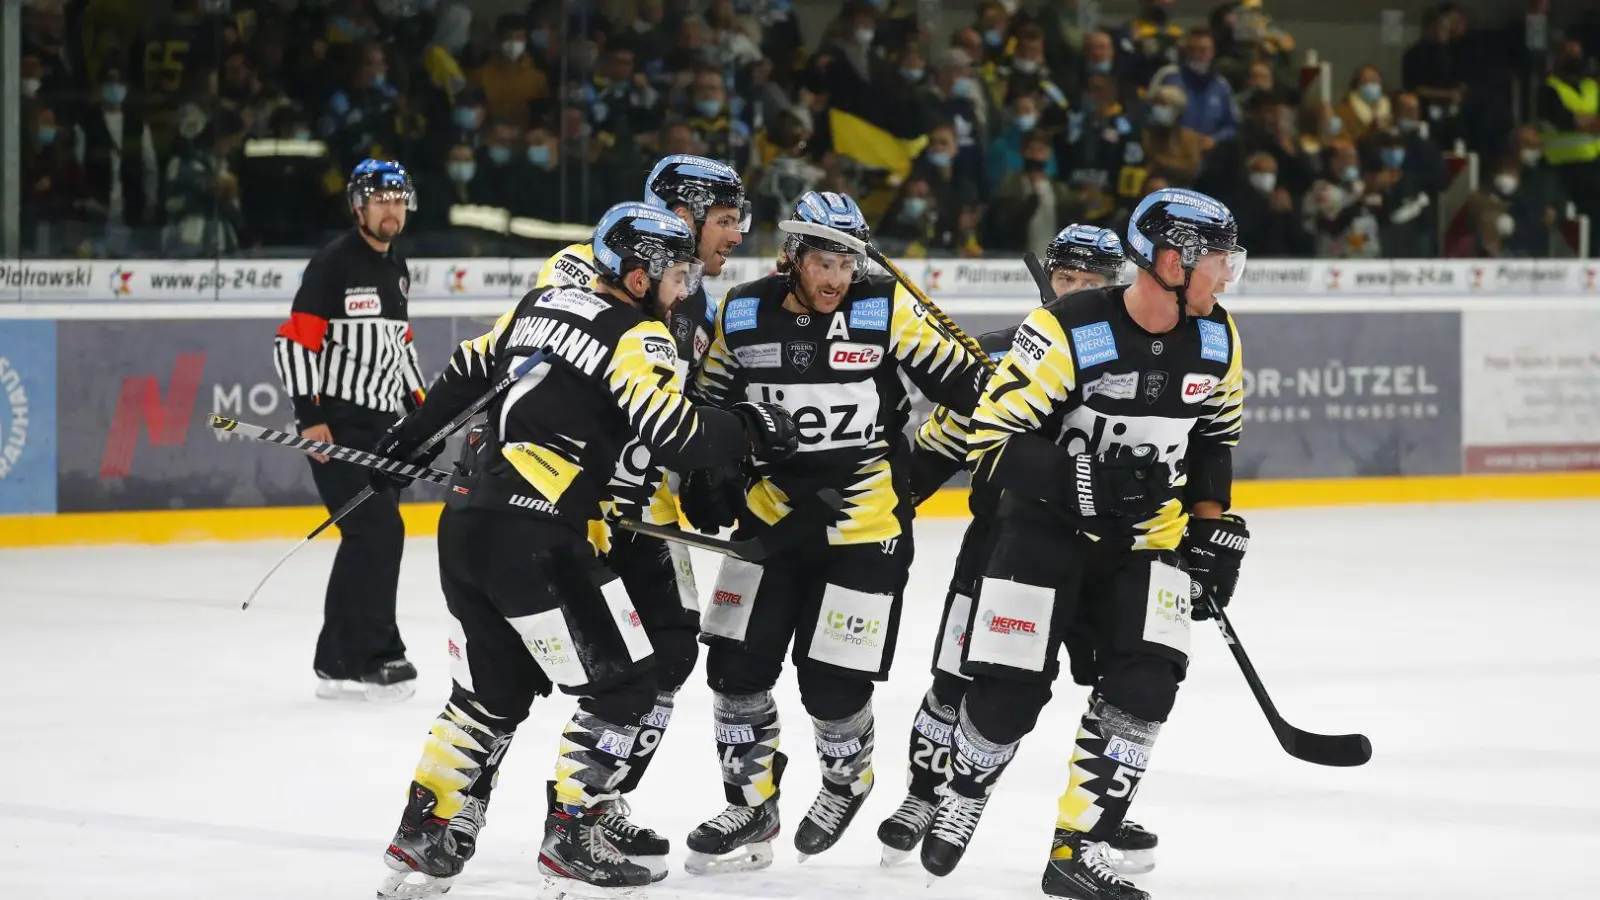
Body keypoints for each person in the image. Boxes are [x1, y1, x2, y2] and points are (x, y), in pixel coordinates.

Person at [373, 202, 799, 900]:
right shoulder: (639, 336)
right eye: (678, 272)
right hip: (539, 534)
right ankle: (575, 834)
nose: (687, 286)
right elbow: (677, 436)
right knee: (631, 678)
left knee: (487, 697)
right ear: (639, 276)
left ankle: (421, 838)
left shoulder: (544, 303)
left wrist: (406, 439)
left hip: (467, 521)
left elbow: (467, 367)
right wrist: (751, 428)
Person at [919, 188, 1251, 900]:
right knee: (1006, 700)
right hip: (1043, 533)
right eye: (1220, 262)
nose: (1227, 277)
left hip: (1145, 541)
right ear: (1171, 260)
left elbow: (1215, 438)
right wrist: (1087, 481)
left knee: (1148, 685)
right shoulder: (1065, 329)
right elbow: (993, 440)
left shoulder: (1219, 337)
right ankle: (966, 786)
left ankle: (1080, 845)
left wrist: (1211, 523)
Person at [682, 191, 988, 873]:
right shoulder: (743, 310)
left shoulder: (885, 307)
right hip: (770, 517)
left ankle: (848, 779)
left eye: (848, 264)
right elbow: (709, 400)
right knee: (734, 671)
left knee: (831, 687)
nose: (836, 280)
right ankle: (751, 805)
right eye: (824, 262)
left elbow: (974, 393)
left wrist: (976, 388)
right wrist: (709, 471)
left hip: (864, 524)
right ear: (792, 257)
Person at [877, 225, 1157, 876]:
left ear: (1118, 284)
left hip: (1100, 552)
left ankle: (1099, 811)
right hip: (1003, 544)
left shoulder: (1142, 360)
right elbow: (940, 443)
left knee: (1116, 687)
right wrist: (888, 510)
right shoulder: (1006, 354)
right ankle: (925, 794)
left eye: (1093, 283)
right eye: (1067, 280)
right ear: (1048, 280)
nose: (1078, 292)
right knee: (956, 680)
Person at [517, 154, 752, 874]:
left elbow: (680, 406)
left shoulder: (699, 299)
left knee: (673, 651)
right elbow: (531, 366)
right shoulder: (581, 264)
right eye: (724, 220)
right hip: (571, 507)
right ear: (680, 217)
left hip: (643, 508)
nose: (737, 236)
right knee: (520, 679)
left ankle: (598, 803)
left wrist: (710, 469)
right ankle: (483, 813)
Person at [271, 159, 428, 702]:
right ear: (358, 206)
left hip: (387, 429)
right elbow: (293, 342)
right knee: (379, 533)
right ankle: (378, 654)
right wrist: (309, 416)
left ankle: (336, 661)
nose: (391, 208)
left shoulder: (396, 268)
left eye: (398, 198)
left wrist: (423, 413)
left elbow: (399, 347)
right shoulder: (333, 264)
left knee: (366, 539)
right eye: (380, 198)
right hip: (339, 430)